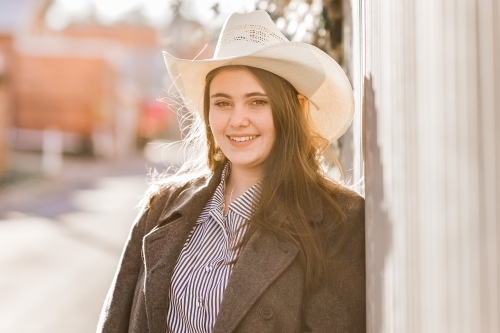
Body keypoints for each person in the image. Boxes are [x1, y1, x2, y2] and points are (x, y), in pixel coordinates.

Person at [97, 10, 365, 333]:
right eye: (223, 103)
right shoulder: (160, 208)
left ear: (295, 108)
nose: (237, 120)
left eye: (257, 102)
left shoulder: (338, 221)